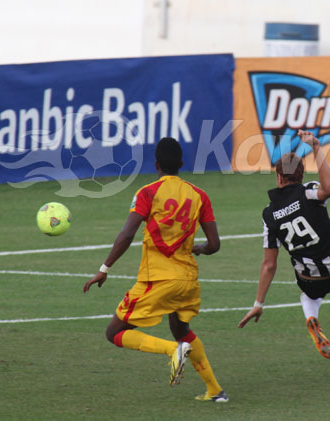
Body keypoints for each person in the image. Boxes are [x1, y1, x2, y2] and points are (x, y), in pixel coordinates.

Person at [83, 137, 228, 402]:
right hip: (188, 279)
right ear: (181, 164)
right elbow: (215, 244)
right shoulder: (199, 195)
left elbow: (127, 234)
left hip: (158, 279)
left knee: (114, 332)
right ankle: (215, 390)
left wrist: (105, 268)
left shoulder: (148, 192)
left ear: (156, 164)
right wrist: (198, 248)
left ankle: (174, 350)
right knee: (181, 327)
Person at [238, 130, 330, 359]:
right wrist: (316, 147)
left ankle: (311, 316)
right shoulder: (308, 192)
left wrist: (258, 303)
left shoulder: (269, 214)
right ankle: (313, 312)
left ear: (278, 178)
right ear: (302, 175)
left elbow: (269, 264)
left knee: (308, 294)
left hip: (308, 280)